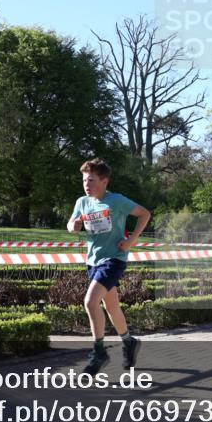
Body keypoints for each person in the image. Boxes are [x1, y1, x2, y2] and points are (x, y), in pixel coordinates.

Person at [68, 158, 151, 375]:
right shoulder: (82, 202)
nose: (87, 184)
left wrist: (131, 240)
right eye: (85, 180)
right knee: (111, 306)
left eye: (92, 180)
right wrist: (73, 225)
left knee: (90, 301)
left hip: (114, 260)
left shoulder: (116, 201)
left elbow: (144, 214)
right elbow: (71, 224)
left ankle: (99, 352)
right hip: (93, 260)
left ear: (104, 181)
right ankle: (129, 341)